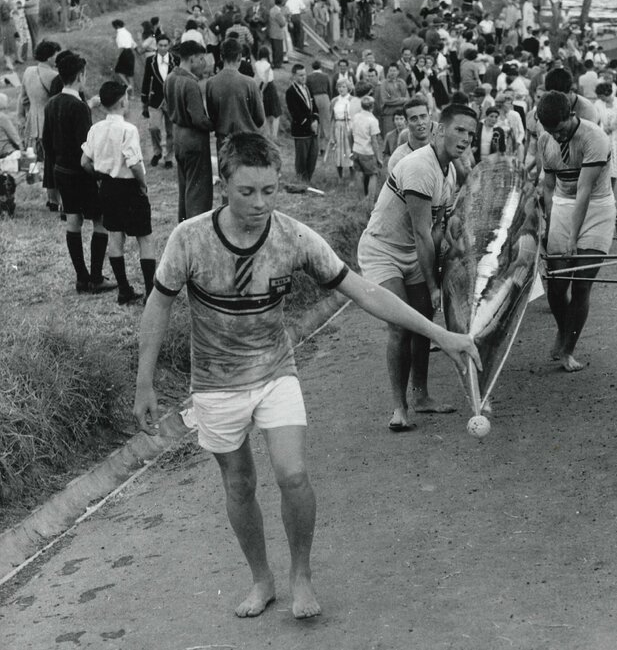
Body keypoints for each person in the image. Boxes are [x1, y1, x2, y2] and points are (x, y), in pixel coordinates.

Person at [133, 131, 480, 619]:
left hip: (276, 370)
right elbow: (159, 304)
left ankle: (301, 575)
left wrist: (439, 334)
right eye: (247, 192)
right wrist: (144, 383)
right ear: (223, 184)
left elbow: (365, 292)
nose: (260, 204)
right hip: (215, 382)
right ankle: (261, 578)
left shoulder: (293, 236)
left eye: (270, 191)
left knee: (293, 475)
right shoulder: (188, 239)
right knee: (239, 484)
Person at [357, 103, 478, 430]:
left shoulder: (449, 169)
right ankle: (400, 408)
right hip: (382, 250)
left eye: (471, 133)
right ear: (439, 128)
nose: (466, 139)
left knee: (423, 321)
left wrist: (455, 247)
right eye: (459, 130)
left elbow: (438, 228)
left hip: (413, 252)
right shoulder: (419, 167)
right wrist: (435, 284)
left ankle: (422, 396)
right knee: (399, 325)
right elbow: (423, 233)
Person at [537, 91, 615, 373]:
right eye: (550, 131)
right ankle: (563, 328)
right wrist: (547, 222)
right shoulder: (546, 138)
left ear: (571, 116)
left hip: (595, 207)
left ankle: (569, 350)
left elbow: (584, 191)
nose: (556, 137)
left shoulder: (594, 138)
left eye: (559, 130)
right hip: (562, 205)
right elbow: (548, 185)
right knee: (557, 285)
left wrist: (572, 238)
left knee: (581, 283)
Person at [43, 50, 115, 293]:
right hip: (81, 172)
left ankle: (81, 278)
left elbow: (46, 142)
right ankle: (95, 278)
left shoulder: (51, 104)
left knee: (73, 221)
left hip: (61, 171)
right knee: (100, 221)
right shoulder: (79, 107)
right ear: (80, 76)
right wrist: (98, 174)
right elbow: (88, 147)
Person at [80, 81, 155, 305]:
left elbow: (84, 161)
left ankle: (124, 289)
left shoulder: (95, 129)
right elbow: (134, 164)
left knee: (115, 236)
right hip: (130, 187)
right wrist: (142, 185)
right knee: (145, 238)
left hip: (108, 188)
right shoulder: (128, 129)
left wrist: (100, 177)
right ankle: (151, 292)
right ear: (123, 101)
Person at [164, 40, 213, 221]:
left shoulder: (170, 78)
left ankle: (183, 226)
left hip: (178, 138)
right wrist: (214, 124)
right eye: (201, 59)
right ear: (191, 59)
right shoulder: (190, 83)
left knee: (185, 187)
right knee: (198, 191)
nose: (203, 63)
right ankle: (195, 229)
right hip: (194, 140)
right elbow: (199, 119)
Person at [18, 39, 61, 211]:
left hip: (33, 123)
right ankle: (58, 199)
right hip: (50, 124)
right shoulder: (54, 76)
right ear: (50, 56)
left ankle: (51, 199)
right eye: (55, 55)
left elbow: (23, 98)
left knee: (46, 163)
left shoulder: (28, 71)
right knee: (55, 162)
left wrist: (22, 116)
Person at [206, 38, 266, 153]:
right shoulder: (250, 83)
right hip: (247, 139)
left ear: (221, 57)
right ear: (239, 57)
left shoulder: (211, 83)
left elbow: (213, 115)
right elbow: (260, 119)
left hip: (224, 141)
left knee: (224, 170)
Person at [595, 81, 617, 237]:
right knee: (605, 169)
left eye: (603, 96)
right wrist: (605, 128)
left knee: (614, 171)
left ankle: (611, 193)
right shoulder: (597, 104)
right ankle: (607, 195)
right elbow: (595, 121)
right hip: (604, 137)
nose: (603, 99)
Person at [141, 33, 176, 169]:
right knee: (153, 127)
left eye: (165, 45)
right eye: (160, 45)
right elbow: (146, 79)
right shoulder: (150, 61)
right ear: (156, 46)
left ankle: (169, 157)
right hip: (155, 100)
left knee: (171, 131)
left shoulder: (175, 60)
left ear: (169, 46)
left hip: (171, 100)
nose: (163, 48)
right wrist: (144, 99)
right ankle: (157, 152)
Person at [285, 64, 320, 184]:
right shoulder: (291, 91)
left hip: (313, 128)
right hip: (301, 129)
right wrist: (309, 123)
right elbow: (295, 112)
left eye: (304, 75)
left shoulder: (307, 88)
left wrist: (315, 120)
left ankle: (308, 179)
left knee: (313, 155)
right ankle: (301, 180)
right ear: (294, 76)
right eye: (300, 75)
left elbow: (314, 106)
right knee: (302, 157)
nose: (303, 77)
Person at [349, 95, 382, 195]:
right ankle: (370, 201)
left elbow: (349, 133)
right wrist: (378, 158)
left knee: (359, 173)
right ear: (372, 107)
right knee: (373, 175)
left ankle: (361, 199)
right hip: (367, 152)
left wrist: (352, 148)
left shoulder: (356, 117)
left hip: (356, 149)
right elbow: (374, 142)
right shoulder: (373, 121)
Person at [253, 45, 281, 139]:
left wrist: (259, 89)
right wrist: (262, 90)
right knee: (276, 113)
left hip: (261, 86)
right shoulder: (268, 65)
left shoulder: (256, 64)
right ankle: (274, 135)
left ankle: (267, 134)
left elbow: (257, 78)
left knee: (266, 112)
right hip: (269, 87)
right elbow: (266, 79)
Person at [267, 0, 287, 69]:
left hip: (273, 32)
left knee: (275, 49)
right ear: (281, 3)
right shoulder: (277, 12)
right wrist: (285, 18)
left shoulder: (272, 9)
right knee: (278, 49)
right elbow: (282, 23)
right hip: (277, 33)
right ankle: (277, 64)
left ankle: (276, 63)